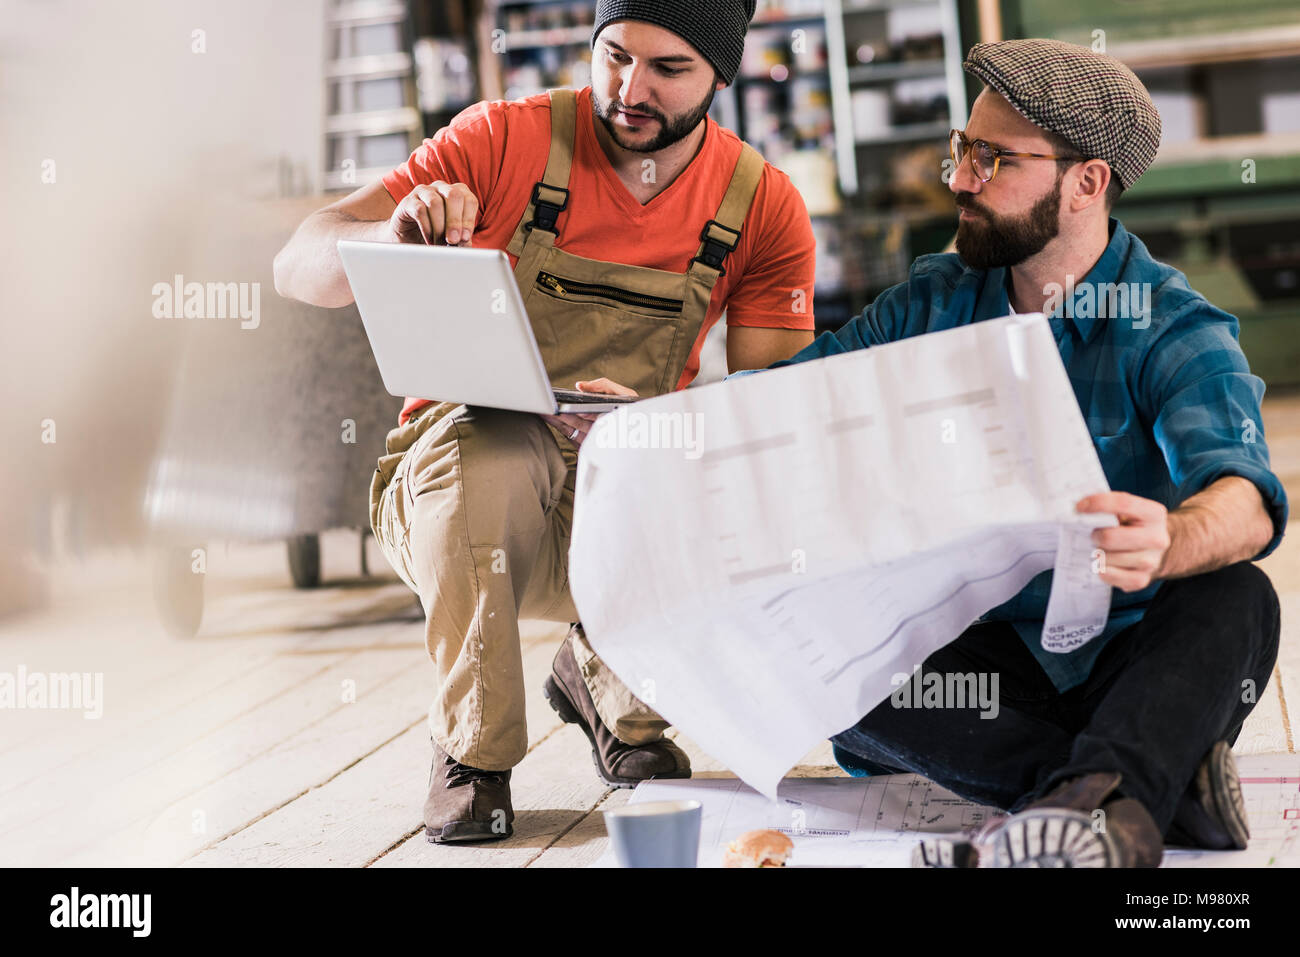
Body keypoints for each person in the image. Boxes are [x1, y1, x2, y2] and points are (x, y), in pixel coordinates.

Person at [272, 0, 816, 843]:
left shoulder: (762, 204)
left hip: (618, 491)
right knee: (494, 449)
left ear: (722, 74)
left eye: (669, 70)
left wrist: (660, 424)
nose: (630, 89)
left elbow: (770, 414)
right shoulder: (504, 139)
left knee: (697, 465)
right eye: (614, 55)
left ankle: (614, 693)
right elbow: (296, 259)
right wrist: (392, 232)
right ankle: (472, 755)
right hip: (458, 495)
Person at [759, 39, 1286, 867]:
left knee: (1237, 596)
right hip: (985, 657)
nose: (960, 179)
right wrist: (641, 421)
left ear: (1088, 181)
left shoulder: (1168, 323)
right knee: (823, 651)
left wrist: (1172, 538)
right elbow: (783, 405)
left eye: (993, 159)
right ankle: (1132, 791)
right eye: (963, 151)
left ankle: (1090, 785)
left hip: (1132, 652)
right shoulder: (932, 300)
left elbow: (1245, 497)